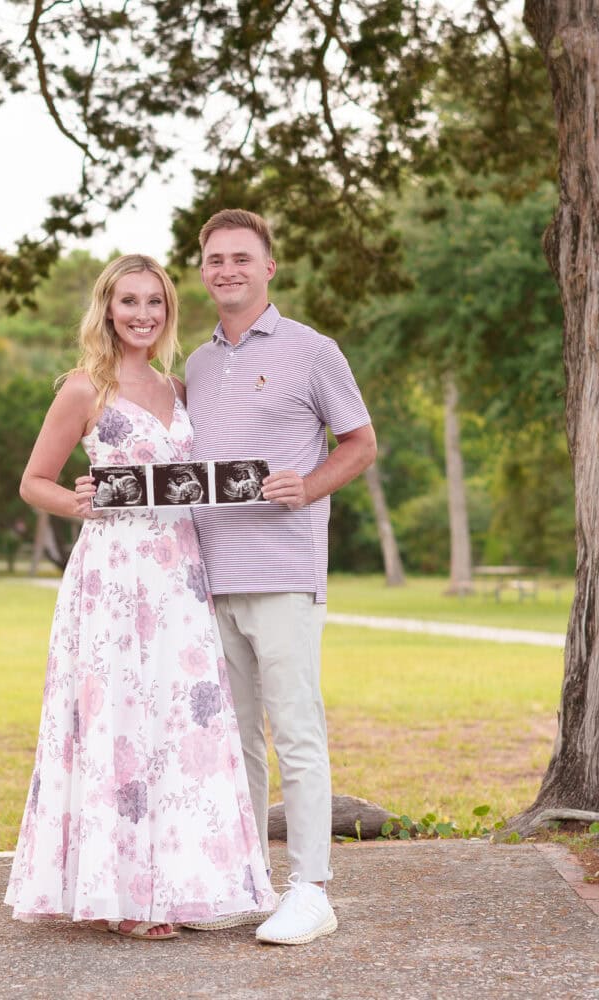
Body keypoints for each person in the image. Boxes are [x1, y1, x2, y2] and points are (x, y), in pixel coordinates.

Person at [3, 254, 277, 940]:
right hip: (114, 580)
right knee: (120, 723)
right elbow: (34, 481)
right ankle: (122, 896)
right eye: (129, 302)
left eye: (154, 302)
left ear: (166, 311)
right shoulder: (83, 389)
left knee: (180, 728)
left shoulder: (178, 387)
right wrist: (77, 500)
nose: (143, 314)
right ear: (107, 308)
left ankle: (184, 884)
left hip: (179, 579)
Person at [181, 209, 376, 946]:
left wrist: (312, 484)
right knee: (233, 741)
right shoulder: (196, 365)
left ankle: (312, 889)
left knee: (296, 730)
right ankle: (247, 880)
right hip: (208, 577)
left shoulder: (311, 350)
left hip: (285, 573)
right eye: (215, 260)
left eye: (241, 258)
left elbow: (360, 441)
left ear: (269, 268)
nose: (227, 269)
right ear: (203, 271)